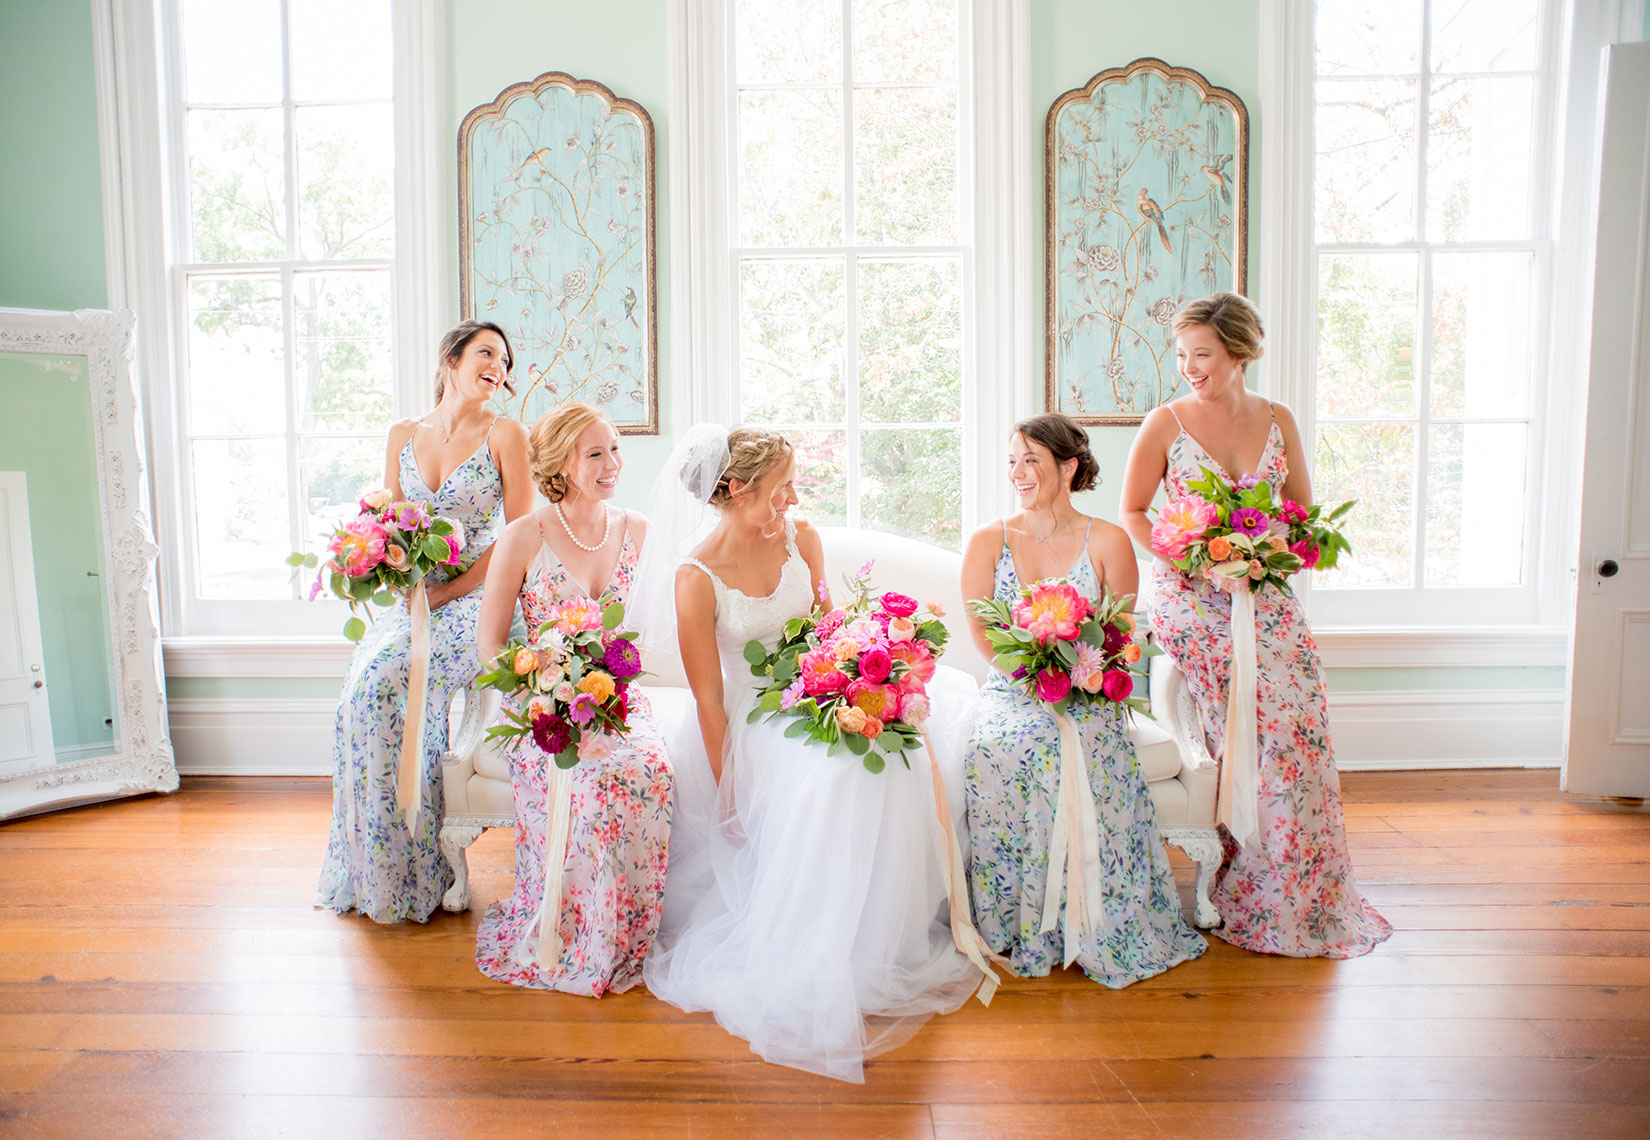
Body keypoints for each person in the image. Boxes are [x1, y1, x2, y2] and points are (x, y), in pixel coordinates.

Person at [639, 425, 985, 1084]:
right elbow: (709, 701)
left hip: (820, 687)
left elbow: (832, 627)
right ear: (737, 490)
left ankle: (885, 939)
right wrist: (728, 790)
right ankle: (827, 952)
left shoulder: (804, 540)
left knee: (896, 750)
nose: (792, 500)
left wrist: (859, 671)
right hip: (752, 715)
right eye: (781, 489)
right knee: (837, 776)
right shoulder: (696, 578)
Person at [1118, 292, 1391, 958]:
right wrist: (1193, 559)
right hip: (1191, 596)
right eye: (1182, 355)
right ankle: (1251, 875)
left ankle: (1299, 884)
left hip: (1264, 591)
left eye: (1202, 354)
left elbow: (1300, 513)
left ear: (1238, 352)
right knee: (1256, 721)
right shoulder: (1166, 423)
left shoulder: (1277, 418)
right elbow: (1133, 511)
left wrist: (1267, 552)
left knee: (1296, 719)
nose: (1189, 367)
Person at [961, 413, 1207, 983]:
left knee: (1081, 743)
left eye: (1032, 461)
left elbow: (1118, 635)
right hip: (1012, 688)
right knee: (1002, 746)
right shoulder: (987, 541)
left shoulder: (1109, 540)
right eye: (1013, 461)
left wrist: (1076, 680)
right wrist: (1032, 679)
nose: (1018, 473)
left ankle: (1097, 920)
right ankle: (1017, 925)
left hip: (1087, 689)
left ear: (1068, 467)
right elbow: (982, 635)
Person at [317, 321, 533, 924]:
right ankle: (373, 867)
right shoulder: (403, 434)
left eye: (504, 359)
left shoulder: (506, 434)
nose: (498, 365)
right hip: (416, 600)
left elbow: (520, 538)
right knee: (361, 691)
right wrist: (402, 580)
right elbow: (393, 526)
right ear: (450, 359)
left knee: (395, 682)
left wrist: (452, 592)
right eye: (486, 353)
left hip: (483, 598)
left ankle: (423, 870)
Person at [472, 402, 673, 996]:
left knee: (649, 770)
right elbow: (489, 645)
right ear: (562, 462)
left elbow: (662, 628)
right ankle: (572, 932)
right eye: (595, 453)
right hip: (543, 707)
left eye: (614, 448)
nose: (613, 464)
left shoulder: (639, 531)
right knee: (583, 780)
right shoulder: (523, 536)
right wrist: (542, 688)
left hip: (615, 703)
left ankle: (629, 933)